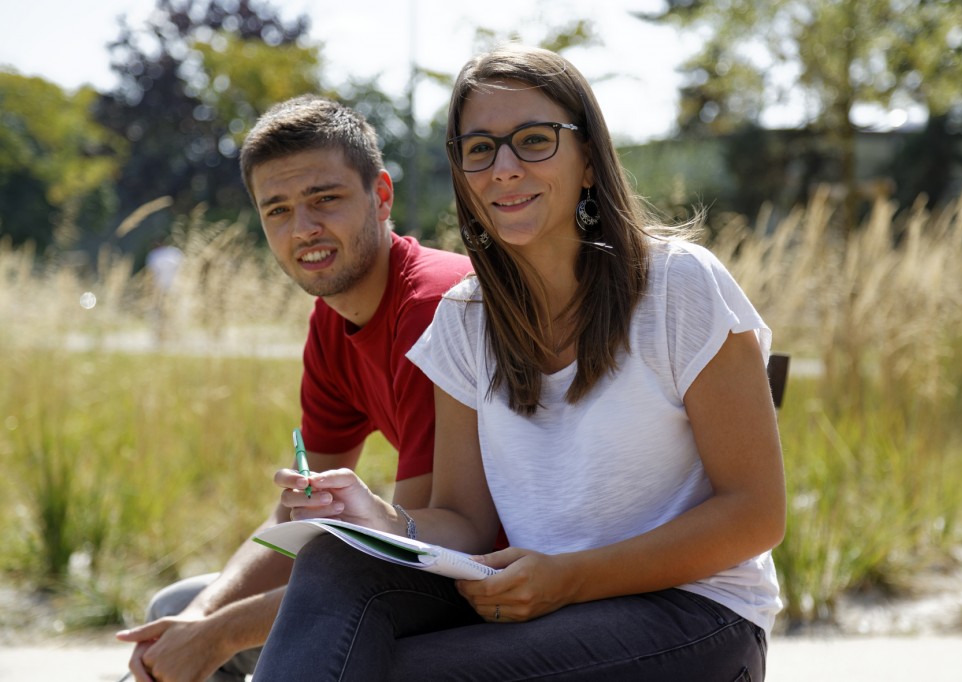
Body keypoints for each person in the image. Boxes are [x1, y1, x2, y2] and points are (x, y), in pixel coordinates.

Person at [253, 43, 786, 681]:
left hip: (695, 617)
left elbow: (756, 513)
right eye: (479, 149)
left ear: (588, 158)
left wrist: (570, 579)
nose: (503, 168)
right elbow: (466, 523)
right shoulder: (463, 317)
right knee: (335, 564)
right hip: (543, 609)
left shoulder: (678, 286)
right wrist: (378, 518)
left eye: (533, 140)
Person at [115, 95, 472, 682]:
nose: (302, 228)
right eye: (276, 209)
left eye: (324, 199)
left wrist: (218, 635)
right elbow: (294, 514)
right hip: (415, 574)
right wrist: (198, 621)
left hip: (483, 581)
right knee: (175, 609)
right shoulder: (332, 319)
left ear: (381, 196)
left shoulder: (432, 307)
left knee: (214, 636)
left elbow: (411, 557)